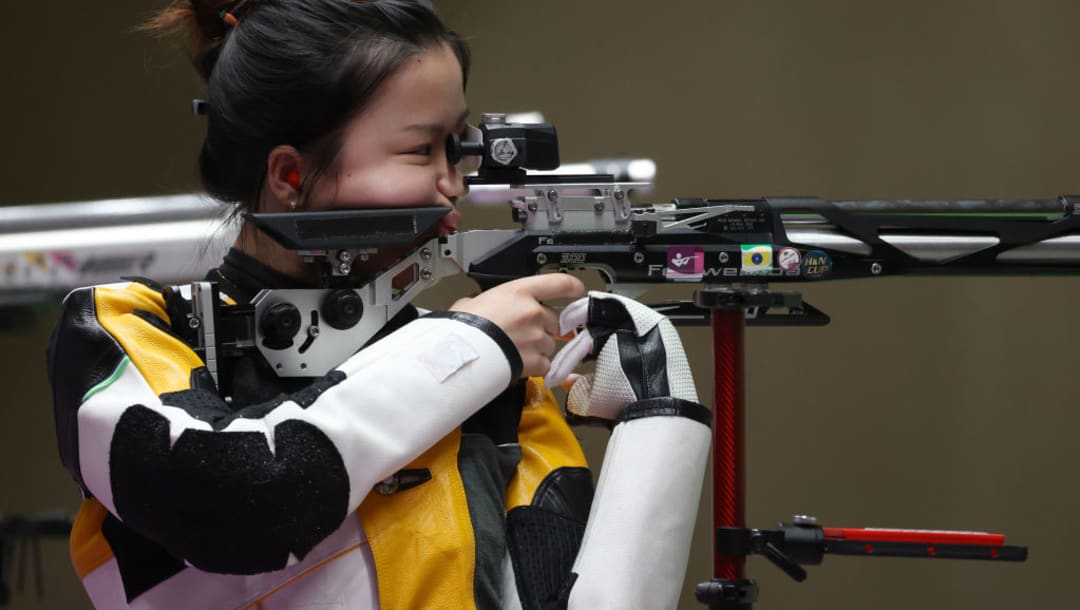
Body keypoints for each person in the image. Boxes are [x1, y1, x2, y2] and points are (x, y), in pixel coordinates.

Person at [46, 1, 711, 608]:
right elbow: (239, 504)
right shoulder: (127, 326)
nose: (453, 186)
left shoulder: (490, 373)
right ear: (289, 176)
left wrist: (660, 415)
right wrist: (468, 347)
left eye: (459, 148)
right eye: (421, 150)